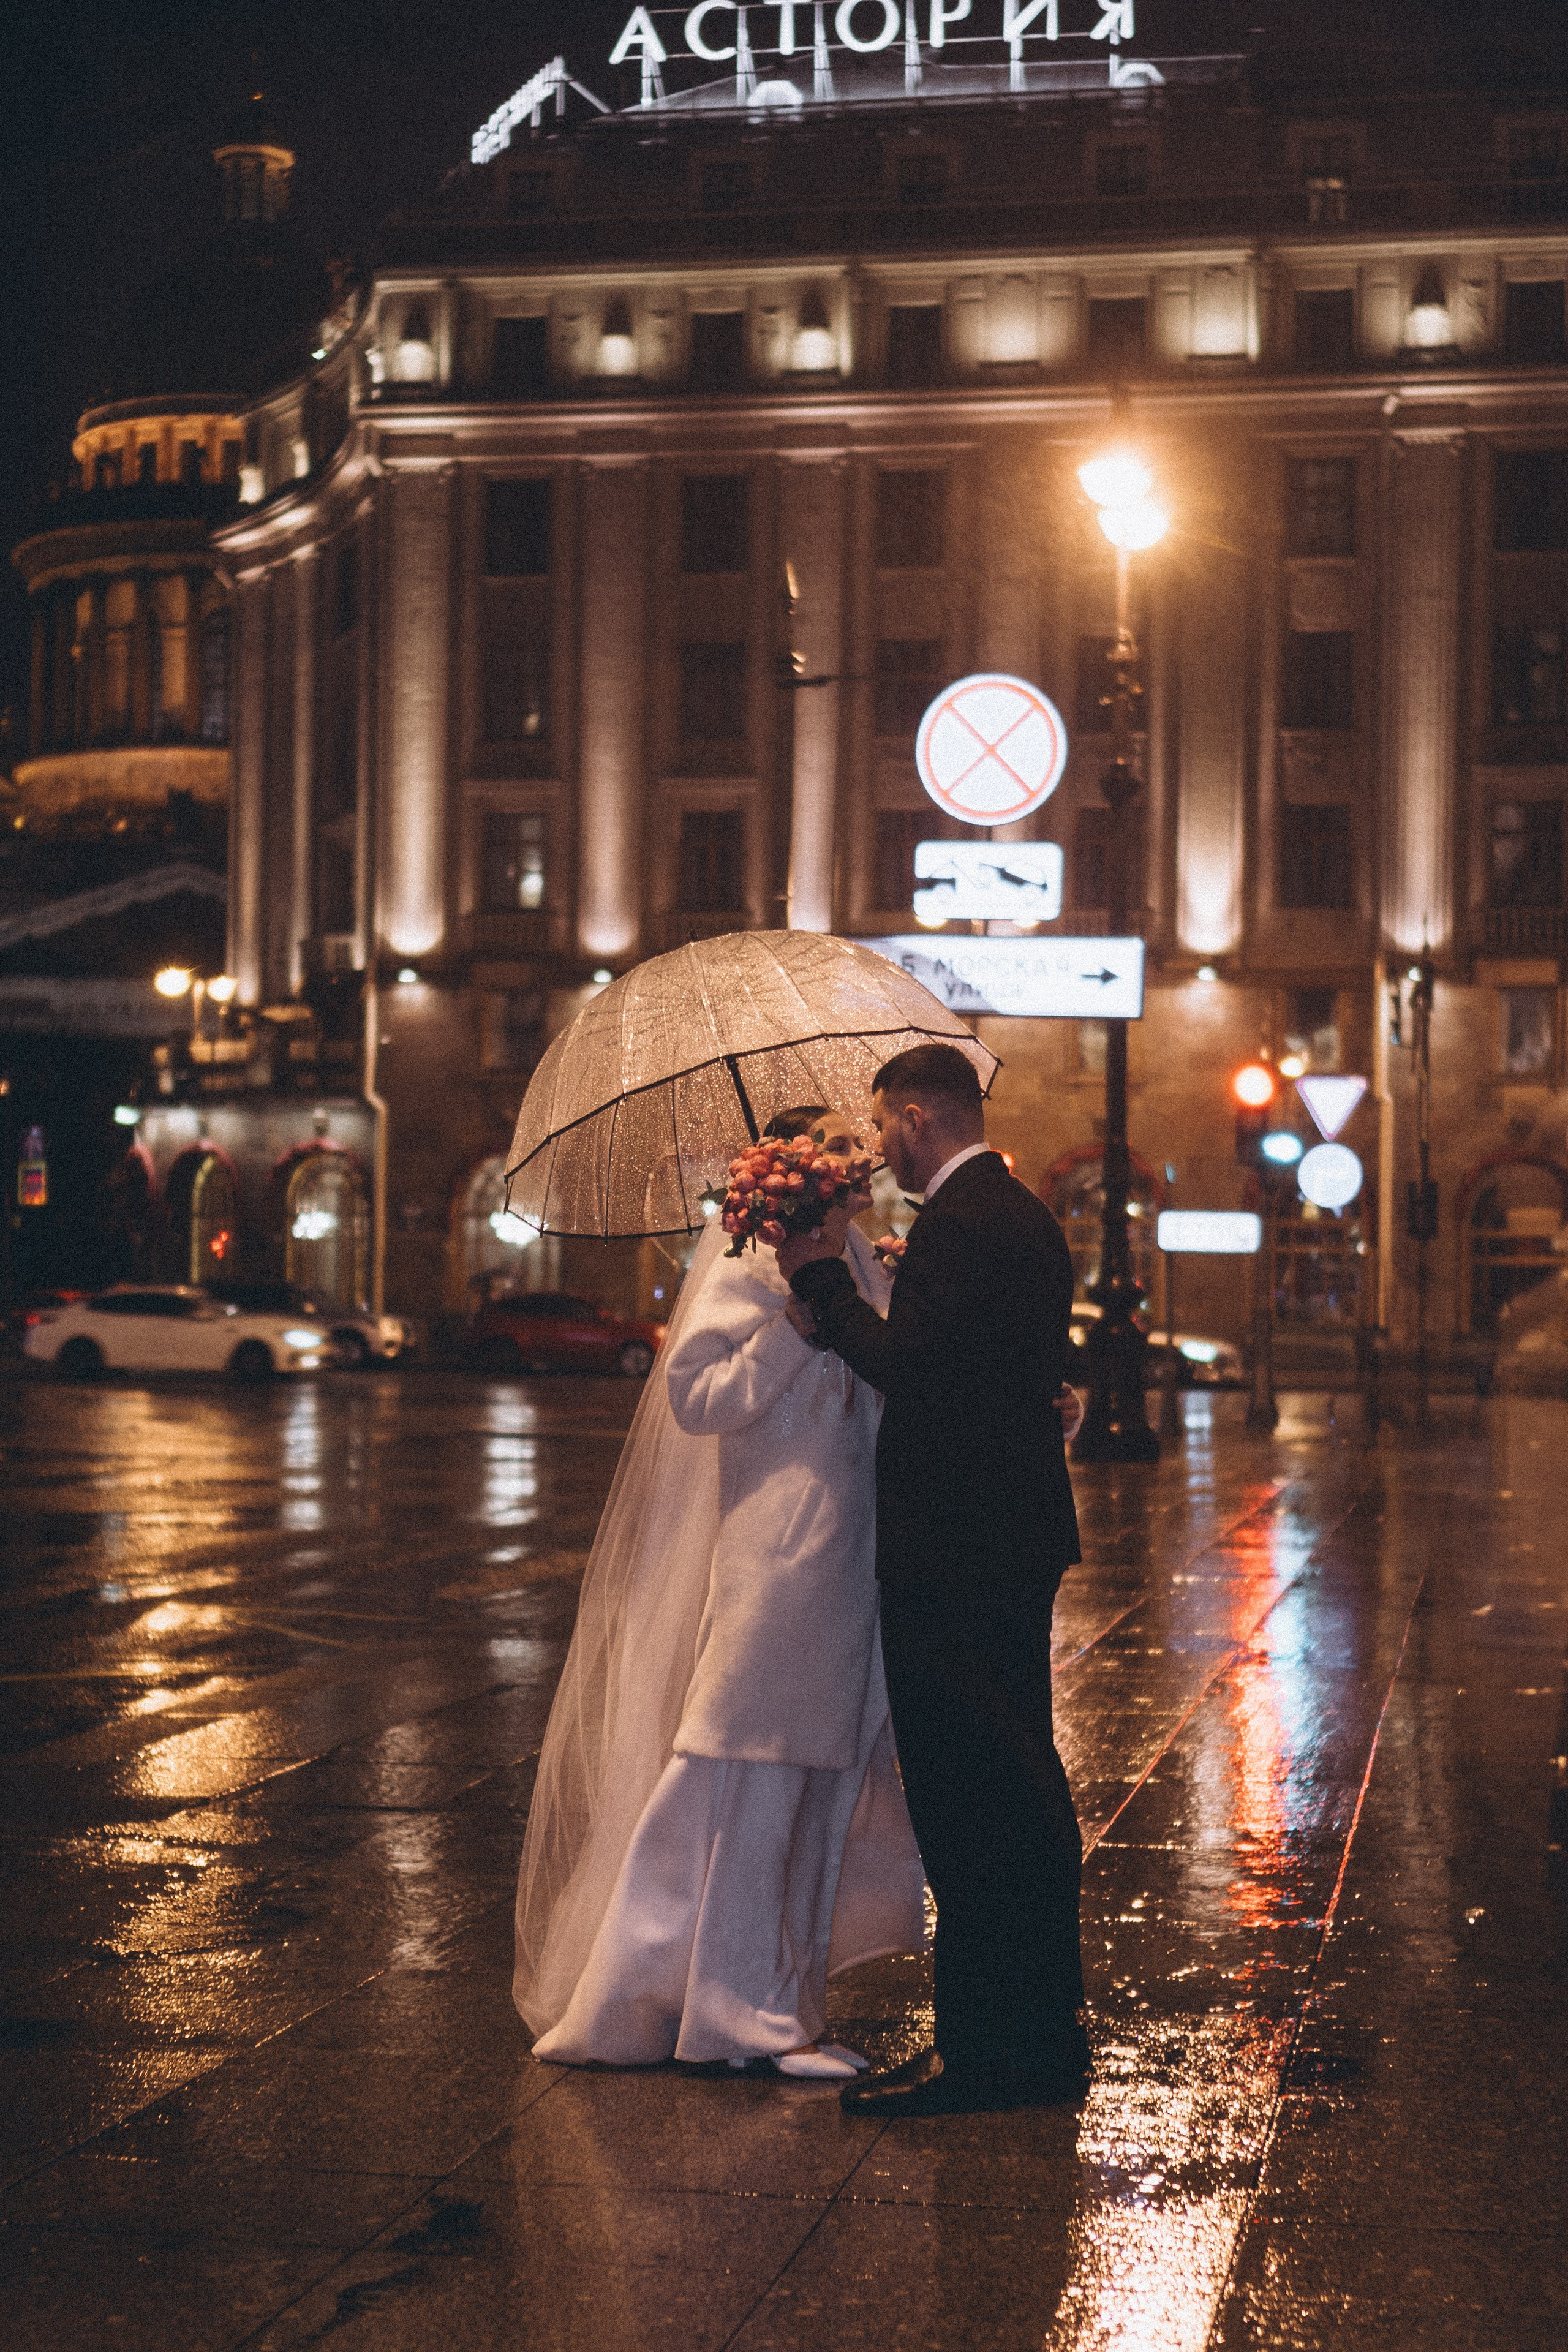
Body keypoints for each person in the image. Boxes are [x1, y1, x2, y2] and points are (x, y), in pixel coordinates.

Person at [512, 1107, 927, 2079]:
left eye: (858, 1143)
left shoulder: (867, 1263)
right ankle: (734, 2015)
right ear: (794, 1175)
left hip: (851, 1559)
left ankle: (777, 2003)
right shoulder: (750, 1270)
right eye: (837, 1144)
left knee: (811, 1782)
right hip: (777, 1564)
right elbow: (695, 1399)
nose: (861, 1156)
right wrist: (791, 1331)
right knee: (748, 1775)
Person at [779, 1042, 1087, 2117]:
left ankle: (987, 2053)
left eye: (881, 1123)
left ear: (916, 1118)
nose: (878, 1146)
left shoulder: (962, 1224)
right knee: (1020, 1787)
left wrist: (819, 1274)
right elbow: (999, 1367)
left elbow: (911, 1366)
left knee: (969, 1802)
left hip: (959, 1551)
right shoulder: (1021, 1214)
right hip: (1007, 1539)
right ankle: (1042, 2033)